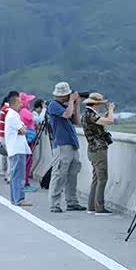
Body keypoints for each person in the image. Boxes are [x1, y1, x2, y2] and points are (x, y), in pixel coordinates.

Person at [46, 82, 85, 213]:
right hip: (62, 145)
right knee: (59, 174)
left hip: (72, 144)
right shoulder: (53, 105)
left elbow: (77, 121)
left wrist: (77, 104)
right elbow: (67, 115)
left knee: (72, 174)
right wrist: (72, 101)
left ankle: (72, 201)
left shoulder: (66, 106)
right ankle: (54, 203)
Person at [82, 92, 116, 214]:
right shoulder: (90, 115)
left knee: (96, 178)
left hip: (92, 149)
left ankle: (92, 206)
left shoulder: (87, 114)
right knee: (102, 178)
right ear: (96, 104)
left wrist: (107, 114)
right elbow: (110, 121)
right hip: (98, 150)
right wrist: (111, 110)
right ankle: (99, 208)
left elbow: (101, 122)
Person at [2, 92, 33, 208]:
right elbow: (24, 130)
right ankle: (19, 199)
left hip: (16, 149)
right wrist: (22, 129)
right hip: (17, 149)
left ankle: (15, 198)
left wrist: (22, 129)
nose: (21, 104)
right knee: (19, 175)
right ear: (14, 103)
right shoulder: (12, 115)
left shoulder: (13, 114)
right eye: (20, 102)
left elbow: (22, 129)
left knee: (16, 175)